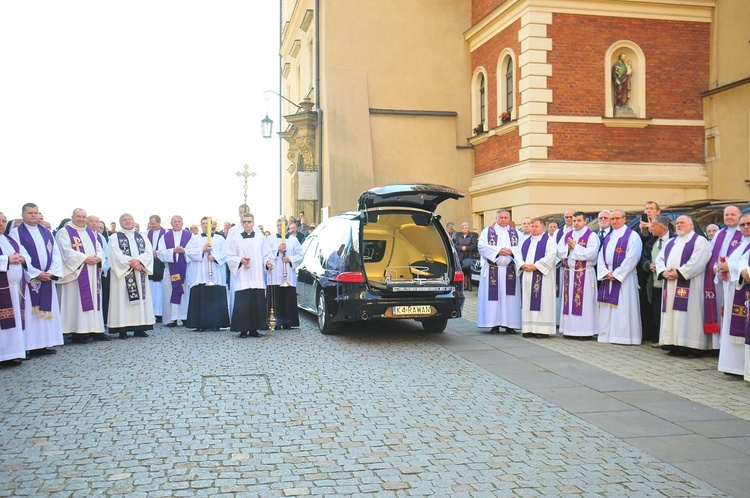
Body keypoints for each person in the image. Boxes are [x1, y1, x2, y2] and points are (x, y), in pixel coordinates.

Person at [10, 203, 65, 353]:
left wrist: (52, 272)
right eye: (30, 213)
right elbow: (21, 254)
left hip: (47, 277)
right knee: (31, 313)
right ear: (23, 214)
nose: (33, 215)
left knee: (47, 311)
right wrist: (35, 273)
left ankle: (45, 342)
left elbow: (55, 254)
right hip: (30, 280)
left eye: (35, 212)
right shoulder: (16, 233)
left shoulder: (46, 232)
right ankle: (31, 345)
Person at [655, 215, 712, 355]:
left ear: (691, 225)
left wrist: (680, 273)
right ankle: (674, 343)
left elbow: (698, 261)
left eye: (683, 223)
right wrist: (663, 272)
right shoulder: (671, 242)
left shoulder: (700, 241)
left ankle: (691, 346)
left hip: (690, 284)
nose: (679, 225)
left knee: (689, 314)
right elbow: (659, 259)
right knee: (671, 314)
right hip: (670, 284)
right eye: (677, 223)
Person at [56, 208, 109, 342]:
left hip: (92, 272)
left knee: (94, 301)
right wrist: (84, 258)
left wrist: (98, 257)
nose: (81, 219)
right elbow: (65, 251)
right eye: (78, 216)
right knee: (77, 302)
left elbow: (100, 249)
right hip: (76, 273)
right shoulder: (64, 232)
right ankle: (78, 332)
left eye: (83, 216)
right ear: (72, 217)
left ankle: (96, 330)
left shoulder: (90, 233)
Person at [597, 209, 643, 345]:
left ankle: (624, 337)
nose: (615, 221)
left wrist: (617, 274)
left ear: (624, 219)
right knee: (608, 308)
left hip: (625, 278)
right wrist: (606, 272)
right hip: (608, 276)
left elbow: (633, 257)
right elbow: (601, 256)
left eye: (618, 218)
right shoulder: (609, 237)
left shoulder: (632, 236)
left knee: (623, 308)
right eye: (613, 219)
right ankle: (608, 335)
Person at [107, 213, 155, 339]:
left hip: (139, 273)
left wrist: (139, 261)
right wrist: (133, 263)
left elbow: (148, 252)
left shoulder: (142, 237)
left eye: (130, 219)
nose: (128, 222)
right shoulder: (114, 238)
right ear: (120, 222)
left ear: (133, 221)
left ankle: (140, 328)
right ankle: (122, 329)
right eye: (125, 220)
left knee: (140, 301)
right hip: (123, 275)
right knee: (122, 299)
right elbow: (115, 255)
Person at [226, 213, 273, 338]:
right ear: (241, 223)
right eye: (244, 222)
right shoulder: (235, 239)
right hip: (243, 277)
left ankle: (254, 329)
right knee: (243, 304)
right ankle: (242, 330)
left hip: (256, 275)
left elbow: (266, 254)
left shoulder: (261, 238)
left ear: (253, 223)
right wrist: (239, 260)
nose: (246, 224)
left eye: (249, 221)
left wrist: (268, 262)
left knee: (256, 303)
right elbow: (229, 256)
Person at [715, 208, 748, 376]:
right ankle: (731, 366)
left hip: (742, 291)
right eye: (743, 225)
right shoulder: (742, 243)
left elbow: (743, 264)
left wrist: (730, 267)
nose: (745, 227)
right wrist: (723, 267)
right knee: (729, 326)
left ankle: (741, 367)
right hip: (732, 290)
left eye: (749, 224)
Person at [477, 209, 521, 334]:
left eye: (506, 217)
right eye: (501, 217)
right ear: (496, 218)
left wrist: (511, 251)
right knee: (493, 299)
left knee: (510, 299)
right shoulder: (487, 231)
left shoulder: (516, 233)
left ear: (509, 218)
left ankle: (510, 325)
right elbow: (481, 246)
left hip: (510, 271)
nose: (503, 220)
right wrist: (498, 251)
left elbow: (522, 247)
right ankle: (493, 324)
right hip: (493, 269)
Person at [558, 211, 600, 339]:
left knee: (585, 303)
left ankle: (584, 332)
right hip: (570, 273)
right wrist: (568, 249)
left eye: (579, 220)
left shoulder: (592, 236)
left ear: (585, 221)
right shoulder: (567, 235)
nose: (576, 223)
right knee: (569, 302)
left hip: (584, 274)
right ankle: (569, 330)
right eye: (574, 220)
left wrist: (575, 248)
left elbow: (591, 254)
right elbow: (559, 251)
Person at [513, 218, 557, 337]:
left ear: (543, 227)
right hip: (527, 275)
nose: (534, 228)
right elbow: (517, 254)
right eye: (532, 226)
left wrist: (536, 266)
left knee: (543, 301)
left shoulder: (549, 240)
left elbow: (551, 255)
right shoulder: (525, 241)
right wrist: (522, 264)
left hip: (543, 277)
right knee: (527, 300)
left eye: (536, 226)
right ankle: (529, 328)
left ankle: (542, 330)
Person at [185, 217, 230, 331]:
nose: (206, 226)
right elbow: (188, 252)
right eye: (203, 224)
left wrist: (215, 257)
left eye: (208, 224)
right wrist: (202, 249)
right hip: (200, 274)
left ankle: (216, 323)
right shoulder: (195, 238)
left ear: (212, 225)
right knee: (200, 298)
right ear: (201, 225)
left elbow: (226, 252)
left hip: (215, 272)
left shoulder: (220, 238)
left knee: (215, 297)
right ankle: (200, 324)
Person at [639, 215, 674, 344]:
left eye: (653, 226)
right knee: (656, 312)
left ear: (662, 226)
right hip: (654, 284)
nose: (651, 229)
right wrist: (649, 265)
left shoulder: (674, 240)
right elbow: (644, 259)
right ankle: (658, 336)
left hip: (670, 283)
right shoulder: (651, 242)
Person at [266, 218, 304, 330]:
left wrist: (290, 259)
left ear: (287, 226)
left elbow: (301, 255)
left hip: (288, 273)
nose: (279, 227)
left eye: (282, 225)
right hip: (274, 274)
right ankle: (275, 322)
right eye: (278, 225)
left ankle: (288, 322)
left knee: (288, 298)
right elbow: (266, 254)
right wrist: (277, 250)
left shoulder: (293, 240)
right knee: (275, 298)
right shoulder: (270, 239)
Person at [0, 212, 27, 367]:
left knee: (14, 322)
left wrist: (22, 258)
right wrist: (7, 259)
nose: (2, 224)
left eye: (3, 221)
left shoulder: (9, 239)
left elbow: (25, 254)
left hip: (14, 287)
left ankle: (12, 353)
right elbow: (8, 258)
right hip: (2, 288)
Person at [157, 215, 194, 327]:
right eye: (175, 221)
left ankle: (184, 316)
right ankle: (171, 318)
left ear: (182, 223)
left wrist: (184, 251)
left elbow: (194, 250)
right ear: (171, 223)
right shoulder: (165, 237)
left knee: (185, 293)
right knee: (170, 292)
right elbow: (160, 252)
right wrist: (173, 250)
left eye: (179, 221)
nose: (177, 223)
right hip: (170, 270)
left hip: (185, 270)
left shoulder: (190, 236)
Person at [87, 214, 110, 327]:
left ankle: (97, 327)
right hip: (85, 272)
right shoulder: (82, 234)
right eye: (91, 221)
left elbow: (105, 253)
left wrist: (102, 264)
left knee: (98, 299)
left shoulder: (100, 237)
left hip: (99, 271)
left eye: (97, 222)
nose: (94, 224)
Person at [146, 215, 166, 323]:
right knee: (151, 289)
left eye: (153, 223)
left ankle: (160, 313)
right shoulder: (145, 234)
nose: (151, 225)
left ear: (159, 222)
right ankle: (151, 312)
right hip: (149, 263)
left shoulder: (166, 234)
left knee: (160, 290)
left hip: (160, 264)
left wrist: (157, 253)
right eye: (150, 223)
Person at [455, 222, 478, 291]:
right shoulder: (459, 237)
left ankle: (470, 285)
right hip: (461, 256)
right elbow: (456, 245)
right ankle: (464, 285)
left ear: (468, 229)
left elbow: (474, 246)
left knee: (468, 270)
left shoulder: (472, 236)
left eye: (466, 228)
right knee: (462, 270)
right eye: (463, 228)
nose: (464, 229)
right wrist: (461, 248)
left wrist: (466, 248)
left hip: (469, 256)